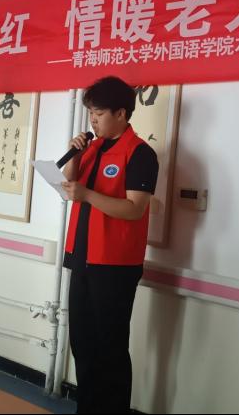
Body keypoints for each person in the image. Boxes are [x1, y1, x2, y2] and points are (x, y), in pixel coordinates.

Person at [61, 76, 159, 414]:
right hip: (82, 258)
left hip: (115, 267)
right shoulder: (91, 147)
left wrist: (87, 194)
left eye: (99, 113)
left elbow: (134, 209)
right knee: (83, 345)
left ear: (121, 113)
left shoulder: (140, 153)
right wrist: (75, 155)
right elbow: (71, 182)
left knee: (111, 351)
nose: (93, 120)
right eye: (90, 113)